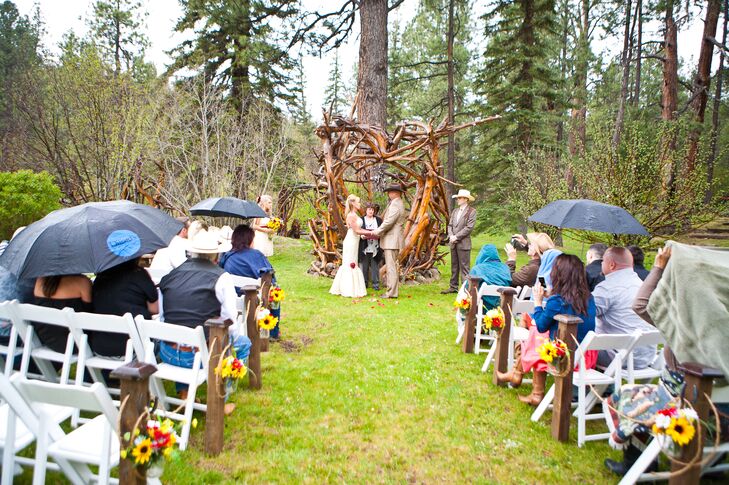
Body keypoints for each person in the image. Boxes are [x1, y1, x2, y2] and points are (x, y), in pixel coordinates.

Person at [158, 229, 244, 412]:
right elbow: (230, 319)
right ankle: (221, 400)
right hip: (198, 355)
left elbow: (163, 315)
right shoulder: (221, 277)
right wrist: (234, 342)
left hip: (167, 352)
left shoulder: (170, 276)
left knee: (181, 329)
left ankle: (184, 393)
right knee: (237, 342)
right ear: (216, 254)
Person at [515, 254, 597, 406]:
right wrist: (551, 295)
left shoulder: (557, 301)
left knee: (537, 340)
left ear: (558, 274)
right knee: (541, 341)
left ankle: (534, 391)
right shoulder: (589, 298)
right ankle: (524, 381)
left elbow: (540, 325)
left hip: (566, 356)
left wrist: (538, 303)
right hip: (587, 355)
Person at [592, 247, 657, 369]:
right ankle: (605, 387)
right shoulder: (642, 286)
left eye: (603, 261)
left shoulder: (607, 288)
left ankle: (573, 387)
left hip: (618, 357)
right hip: (645, 356)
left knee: (570, 345)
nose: (601, 264)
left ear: (611, 265)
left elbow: (585, 313)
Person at [219, 224, 282, 340]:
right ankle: (274, 333)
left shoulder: (226, 256)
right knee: (276, 290)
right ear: (250, 240)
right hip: (253, 299)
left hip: (232, 297)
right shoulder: (256, 255)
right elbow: (270, 276)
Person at [91, 258, 159, 356]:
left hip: (100, 349)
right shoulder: (139, 274)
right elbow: (155, 309)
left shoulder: (100, 278)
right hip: (134, 348)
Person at [33, 275, 93, 353]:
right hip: (77, 342)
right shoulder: (82, 282)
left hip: (47, 340)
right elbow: (89, 311)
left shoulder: (40, 281)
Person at [330, 195, 368, 298]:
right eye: (358, 202)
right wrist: (371, 232)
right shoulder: (351, 215)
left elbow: (357, 230)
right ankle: (347, 289)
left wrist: (363, 235)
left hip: (355, 240)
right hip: (351, 241)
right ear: (353, 204)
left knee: (353, 261)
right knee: (349, 263)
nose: (359, 204)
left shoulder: (354, 214)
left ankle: (353, 288)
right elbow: (356, 230)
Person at [373, 184, 407, 299]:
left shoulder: (396, 204)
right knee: (392, 266)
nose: (388, 194)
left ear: (395, 193)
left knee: (391, 267)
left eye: (390, 192)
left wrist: (377, 231)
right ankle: (392, 291)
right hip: (393, 239)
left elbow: (389, 222)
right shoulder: (396, 203)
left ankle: (391, 292)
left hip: (392, 240)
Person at [442, 189, 477, 294]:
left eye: (460, 198)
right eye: (457, 198)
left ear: (466, 199)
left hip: (463, 243)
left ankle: (466, 289)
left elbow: (469, 227)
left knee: (464, 267)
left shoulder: (472, 211)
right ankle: (453, 287)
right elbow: (450, 225)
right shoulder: (455, 211)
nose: (457, 199)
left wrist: (456, 236)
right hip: (453, 242)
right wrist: (451, 235)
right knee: (454, 266)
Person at [468, 244, 512, 310]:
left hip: (482, 306)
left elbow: (468, 288)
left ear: (481, 255)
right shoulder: (505, 268)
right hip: (502, 307)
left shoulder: (477, 269)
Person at [358, 203, 383, 291]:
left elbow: (382, 231)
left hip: (375, 246)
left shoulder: (379, 220)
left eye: (372, 210)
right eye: (369, 209)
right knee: (364, 266)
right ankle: (364, 284)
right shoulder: (361, 220)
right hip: (364, 245)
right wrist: (361, 236)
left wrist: (378, 235)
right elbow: (357, 231)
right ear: (366, 210)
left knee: (375, 266)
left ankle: (376, 284)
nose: (371, 211)